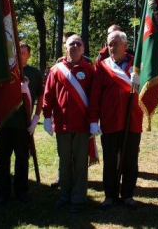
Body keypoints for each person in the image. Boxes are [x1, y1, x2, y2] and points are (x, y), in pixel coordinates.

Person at [89, 31, 142, 210]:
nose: (112, 47)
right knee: (110, 160)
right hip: (110, 121)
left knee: (130, 160)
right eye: (110, 44)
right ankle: (110, 195)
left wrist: (140, 82)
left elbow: (150, 90)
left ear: (125, 46)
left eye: (116, 43)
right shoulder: (103, 66)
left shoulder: (137, 65)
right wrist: (93, 120)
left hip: (132, 120)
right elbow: (95, 94)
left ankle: (127, 194)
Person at [43, 34, 95, 213]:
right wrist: (47, 117)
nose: (75, 46)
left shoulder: (89, 70)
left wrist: (94, 121)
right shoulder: (56, 70)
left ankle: (78, 199)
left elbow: (94, 98)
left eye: (78, 44)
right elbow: (48, 94)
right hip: (62, 124)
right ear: (65, 47)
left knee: (80, 164)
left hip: (82, 126)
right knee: (64, 162)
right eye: (71, 43)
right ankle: (65, 195)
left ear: (83, 48)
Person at [0, 42, 43, 206]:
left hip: (23, 125)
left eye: (23, 53)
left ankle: (21, 191)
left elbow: (41, 96)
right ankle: (3, 192)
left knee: (22, 160)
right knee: (3, 161)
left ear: (28, 55)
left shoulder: (34, 73)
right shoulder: (5, 73)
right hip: (5, 124)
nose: (19, 55)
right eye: (17, 52)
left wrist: (36, 118)